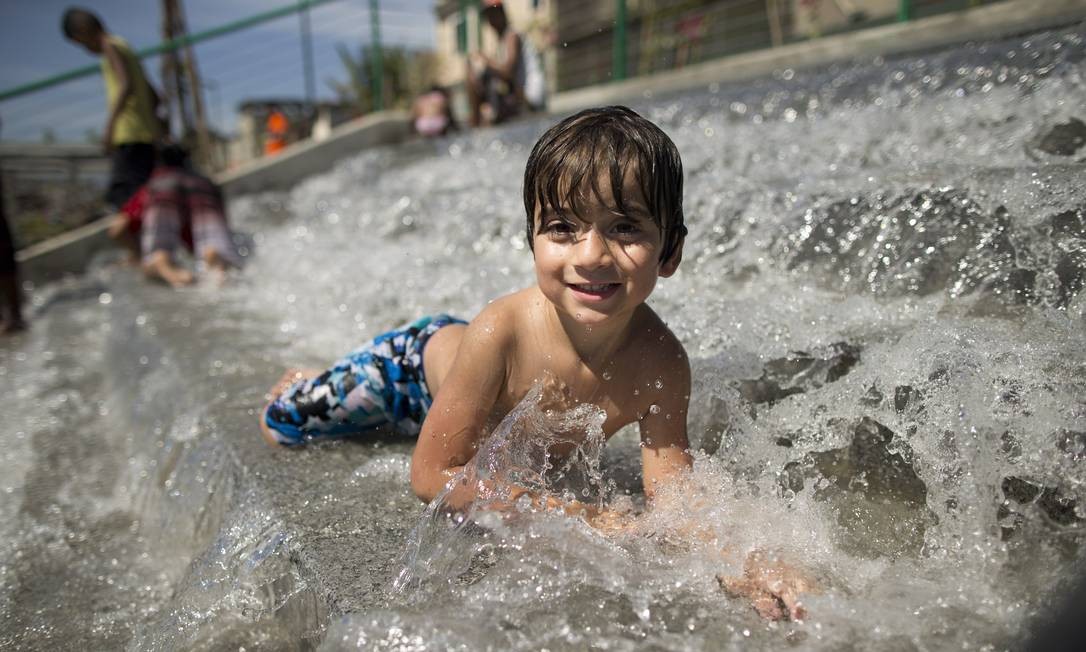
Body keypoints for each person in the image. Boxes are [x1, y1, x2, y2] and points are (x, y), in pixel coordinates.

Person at [257, 106, 813, 619]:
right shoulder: (501, 331)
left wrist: (743, 563)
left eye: (625, 227)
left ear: (669, 252)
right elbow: (432, 476)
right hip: (407, 371)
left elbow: (675, 496)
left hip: (475, 411)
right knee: (284, 423)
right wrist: (578, 517)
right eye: (562, 228)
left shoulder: (661, 363)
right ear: (531, 240)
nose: (591, 255)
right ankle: (301, 382)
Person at [62, 7, 164, 210]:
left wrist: (110, 127)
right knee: (143, 197)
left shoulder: (109, 46)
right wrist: (156, 124)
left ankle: (148, 240)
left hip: (128, 134)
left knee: (125, 200)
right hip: (146, 135)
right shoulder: (124, 46)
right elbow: (154, 96)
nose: (85, 49)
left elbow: (125, 85)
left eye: (80, 43)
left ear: (82, 32)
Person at [111, 145, 239, 288]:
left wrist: (137, 254)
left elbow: (117, 228)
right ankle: (215, 255)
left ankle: (160, 261)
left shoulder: (155, 182)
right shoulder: (205, 182)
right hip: (203, 193)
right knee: (215, 242)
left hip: (162, 193)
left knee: (159, 250)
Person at [465, 0, 546, 127]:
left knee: (480, 74)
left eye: (494, 13)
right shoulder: (501, 41)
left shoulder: (512, 35)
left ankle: (477, 122)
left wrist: (484, 59)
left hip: (530, 98)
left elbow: (507, 72)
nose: (491, 19)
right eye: (488, 15)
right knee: (477, 74)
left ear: (502, 13)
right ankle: (482, 119)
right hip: (519, 95)